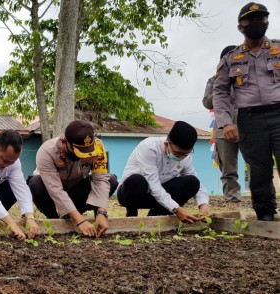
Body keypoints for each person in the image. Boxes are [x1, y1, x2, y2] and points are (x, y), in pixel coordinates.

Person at [213, 2, 279, 221]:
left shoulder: (278, 49)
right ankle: (266, 214)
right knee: (259, 170)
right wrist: (226, 122)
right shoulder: (231, 58)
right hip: (250, 119)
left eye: (261, 19)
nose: (256, 24)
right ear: (241, 27)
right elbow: (220, 92)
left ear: (267, 22)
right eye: (250, 20)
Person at [28, 120, 118, 238]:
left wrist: (102, 211)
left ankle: (96, 220)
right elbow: (55, 189)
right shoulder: (47, 151)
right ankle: (54, 219)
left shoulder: (98, 147)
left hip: (77, 188)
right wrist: (80, 221)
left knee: (111, 180)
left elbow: (100, 179)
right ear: (65, 142)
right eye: (81, 152)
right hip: (52, 193)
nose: (85, 156)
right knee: (35, 183)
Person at [117, 121, 211, 223]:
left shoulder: (185, 156)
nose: (181, 157)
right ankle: (132, 217)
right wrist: (176, 209)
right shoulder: (150, 147)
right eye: (178, 153)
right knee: (135, 180)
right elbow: (153, 184)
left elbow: (194, 178)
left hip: (159, 197)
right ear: (167, 144)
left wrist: (204, 204)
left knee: (192, 182)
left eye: (186, 154)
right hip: (133, 194)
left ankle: (156, 217)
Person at [202, 45, 241, 203]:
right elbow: (206, 102)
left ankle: (262, 201)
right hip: (222, 126)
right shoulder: (213, 81)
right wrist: (220, 89)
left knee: (257, 164)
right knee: (227, 167)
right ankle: (233, 201)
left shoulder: (247, 77)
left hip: (248, 124)